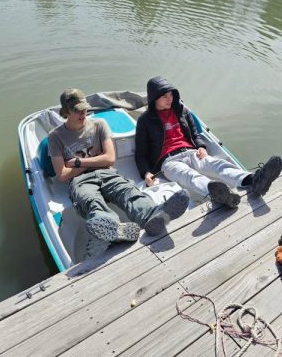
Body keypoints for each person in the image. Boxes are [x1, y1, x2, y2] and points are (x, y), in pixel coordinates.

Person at [48, 88, 190, 259]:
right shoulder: (55, 137)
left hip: (107, 173)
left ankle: (153, 216)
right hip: (80, 181)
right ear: (65, 112)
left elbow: (110, 159)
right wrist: (94, 161)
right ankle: (112, 228)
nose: (83, 113)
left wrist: (78, 162)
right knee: (91, 201)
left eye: (84, 108)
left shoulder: (99, 124)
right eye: (76, 110)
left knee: (127, 191)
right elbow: (63, 174)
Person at [135, 76, 282, 209]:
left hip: (191, 152)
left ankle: (253, 180)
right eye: (164, 96)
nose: (170, 99)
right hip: (168, 161)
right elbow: (140, 153)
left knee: (216, 164)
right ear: (154, 98)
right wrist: (146, 173)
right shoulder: (145, 121)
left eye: (171, 94)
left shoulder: (182, 111)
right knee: (189, 175)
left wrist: (201, 147)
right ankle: (218, 194)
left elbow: (195, 134)